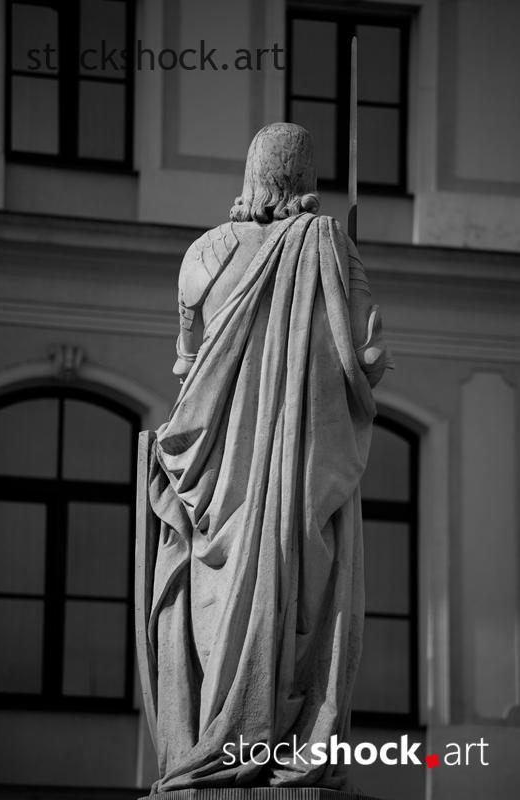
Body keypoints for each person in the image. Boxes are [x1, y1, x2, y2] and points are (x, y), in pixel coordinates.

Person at [137, 123, 392, 793]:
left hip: (216, 485)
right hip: (297, 481)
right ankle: (281, 740)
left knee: (215, 607)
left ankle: (216, 738)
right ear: (305, 179)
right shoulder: (328, 244)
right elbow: (367, 360)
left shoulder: (202, 253)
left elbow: (186, 368)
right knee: (295, 601)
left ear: (250, 175)